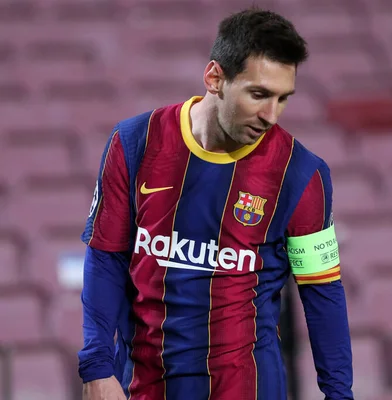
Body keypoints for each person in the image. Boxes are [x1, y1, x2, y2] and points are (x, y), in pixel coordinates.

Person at [78, 7, 354, 400]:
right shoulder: (135, 142)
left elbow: (322, 290)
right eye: (259, 94)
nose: (271, 115)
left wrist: (339, 394)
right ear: (214, 78)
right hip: (142, 385)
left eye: (283, 98)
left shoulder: (302, 173)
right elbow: (106, 258)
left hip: (248, 387)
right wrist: (97, 366)